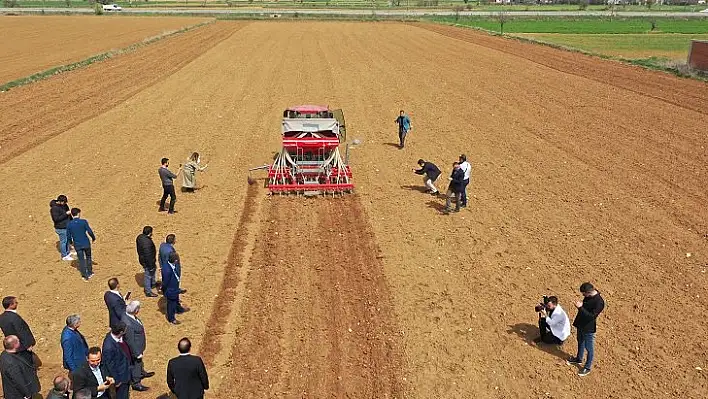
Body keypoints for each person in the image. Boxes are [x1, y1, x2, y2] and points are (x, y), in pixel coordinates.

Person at [567, 282, 605, 377]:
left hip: (588, 328)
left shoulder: (599, 302)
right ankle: (578, 359)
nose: (583, 295)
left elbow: (591, 316)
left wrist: (580, 308)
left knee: (589, 348)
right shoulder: (589, 296)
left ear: (589, 292)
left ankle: (587, 367)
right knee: (580, 341)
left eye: (584, 293)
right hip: (581, 325)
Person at [121, 301, 155, 392]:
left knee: (139, 363)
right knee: (137, 363)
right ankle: (136, 382)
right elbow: (130, 340)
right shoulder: (129, 323)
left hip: (139, 345)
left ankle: (141, 372)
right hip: (135, 348)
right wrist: (136, 352)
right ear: (136, 311)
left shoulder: (128, 315)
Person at [0, 296, 36, 366]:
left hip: (11, 346)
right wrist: (28, 345)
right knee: (27, 365)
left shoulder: (2, 317)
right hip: (22, 347)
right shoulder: (14, 317)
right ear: (11, 305)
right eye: (15, 302)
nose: (17, 304)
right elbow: (21, 331)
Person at [102, 323, 132, 399]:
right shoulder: (108, 346)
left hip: (126, 371)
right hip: (120, 377)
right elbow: (110, 365)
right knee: (122, 395)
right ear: (121, 332)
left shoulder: (118, 337)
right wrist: (117, 380)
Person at [66, 208, 96, 281]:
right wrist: (93, 238)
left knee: (81, 260)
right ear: (78, 214)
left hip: (77, 244)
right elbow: (90, 231)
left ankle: (84, 275)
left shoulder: (69, 224)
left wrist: (71, 243)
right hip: (86, 243)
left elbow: (68, 236)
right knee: (88, 257)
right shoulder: (83, 222)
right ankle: (90, 272)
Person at [162, 252, 189, 325]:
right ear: (175, 261)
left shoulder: (171, 265)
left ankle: (179, 309)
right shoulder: (167, 270)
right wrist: (165, 291)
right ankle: (171, 318)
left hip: (175, 288)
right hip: (171, 290)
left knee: (176, 300)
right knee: (171, 304)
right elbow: (165, 283)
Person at [136, 227, 158, 298]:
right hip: (148, 261)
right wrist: (151, 265)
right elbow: (148, 255)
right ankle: (148, 291)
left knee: (152, 271)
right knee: (148, 274)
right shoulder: (147, 243)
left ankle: (153, 283)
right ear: (150, 233)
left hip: (143, 259)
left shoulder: (140, 237)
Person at [50, 195, 74, 261]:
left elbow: (69, 215)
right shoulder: (54, 209)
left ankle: (68, 253)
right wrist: (66, 214)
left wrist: (72, 221)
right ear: (60, 201)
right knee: (63, 242)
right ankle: (64, 256)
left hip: (67, 226)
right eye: (64, 202)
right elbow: (56, 219)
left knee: (68, 240)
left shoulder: (65, 205)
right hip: (60, 228)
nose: (65, 204)